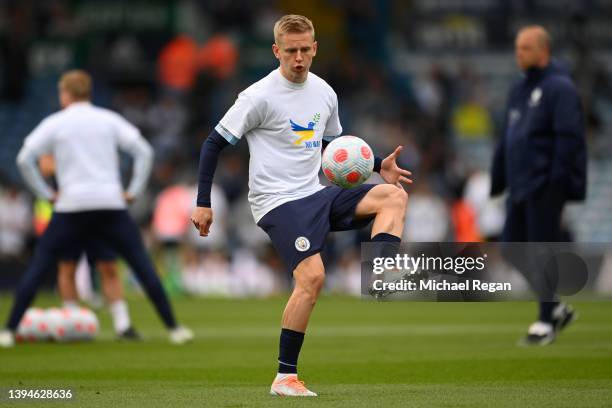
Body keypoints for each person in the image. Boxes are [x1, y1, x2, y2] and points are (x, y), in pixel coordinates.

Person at [190, 15, 412, 396]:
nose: (298, 58)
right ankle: (284, 377)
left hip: (315, 192)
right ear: (277, 51)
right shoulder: (257, 96)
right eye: (290, 51)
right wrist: (203, 202)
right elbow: (213, 143)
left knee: (393, 195)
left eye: (304, 50)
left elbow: (336, 149)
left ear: (314, 49)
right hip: (276, 201)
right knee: (312, 278)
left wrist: (377, 165)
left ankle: (379, 273)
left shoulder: (325, 93)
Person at [0, 70, 193, 347]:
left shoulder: (56, 122)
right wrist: (134, 191)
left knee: (40, 265)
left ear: (65, 94)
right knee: (141, 264)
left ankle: (8, 330)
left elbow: (24, 159)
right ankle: (174, 328)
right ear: (88, 92)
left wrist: (46, 194)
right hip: (109, 203)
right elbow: (144, 152)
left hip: (71, 205)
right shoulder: (108, 119)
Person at [491, 26, 587, 345]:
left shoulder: (560, 88)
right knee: (510, 247)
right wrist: (499, 176)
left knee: (540, 250)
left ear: (543, 51)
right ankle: (555, 306)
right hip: (520, 183)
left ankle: (545, 321)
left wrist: (557, 182)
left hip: (545, 182)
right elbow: (508, 135)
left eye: (526, 48)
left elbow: (568, 137)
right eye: (518, 47)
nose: (519, 53)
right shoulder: (519, 89)